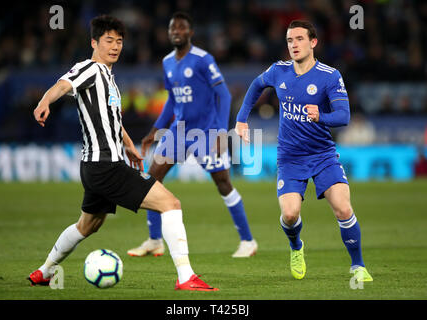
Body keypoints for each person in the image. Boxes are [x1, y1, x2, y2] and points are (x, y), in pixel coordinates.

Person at [28, 15, 218, 291]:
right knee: (171, 204)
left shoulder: (109, 78)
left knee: (87, 225)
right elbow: (63, 84)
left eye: (119, 41)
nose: (115, 46)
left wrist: (128, 144)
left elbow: (112, 121)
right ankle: (186, 277)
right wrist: (44, 101)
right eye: (109, 41)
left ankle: (44, 272)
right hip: (106, 167)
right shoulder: (91, 69)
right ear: (94, 42)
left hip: (96, 167)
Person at [235, 20, 373, 282]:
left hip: (323, 155)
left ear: (313, 42)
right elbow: (256, 85)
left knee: (343, 209)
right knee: (289, 214)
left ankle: (358, 266)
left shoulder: (329, 76)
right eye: (289, 40)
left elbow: (344, 116)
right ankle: (296, 247)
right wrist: (242, 118)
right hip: (290, 157)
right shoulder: (279, 71)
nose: (293, 45)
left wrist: (321, 115)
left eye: (299, 39)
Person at [127, 12, 257, 258]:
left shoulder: (202, 59)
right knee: (152, 178)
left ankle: (248, 241)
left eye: (181, 28)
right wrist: (155, 130)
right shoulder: (167, 62)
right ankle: (155, 240)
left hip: (206, 131)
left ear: (190, 32)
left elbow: (225, 95)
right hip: (179, 131)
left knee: (223, 184)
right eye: (172, 28)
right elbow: (172, 101)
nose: (176, 31)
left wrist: (220, 132)